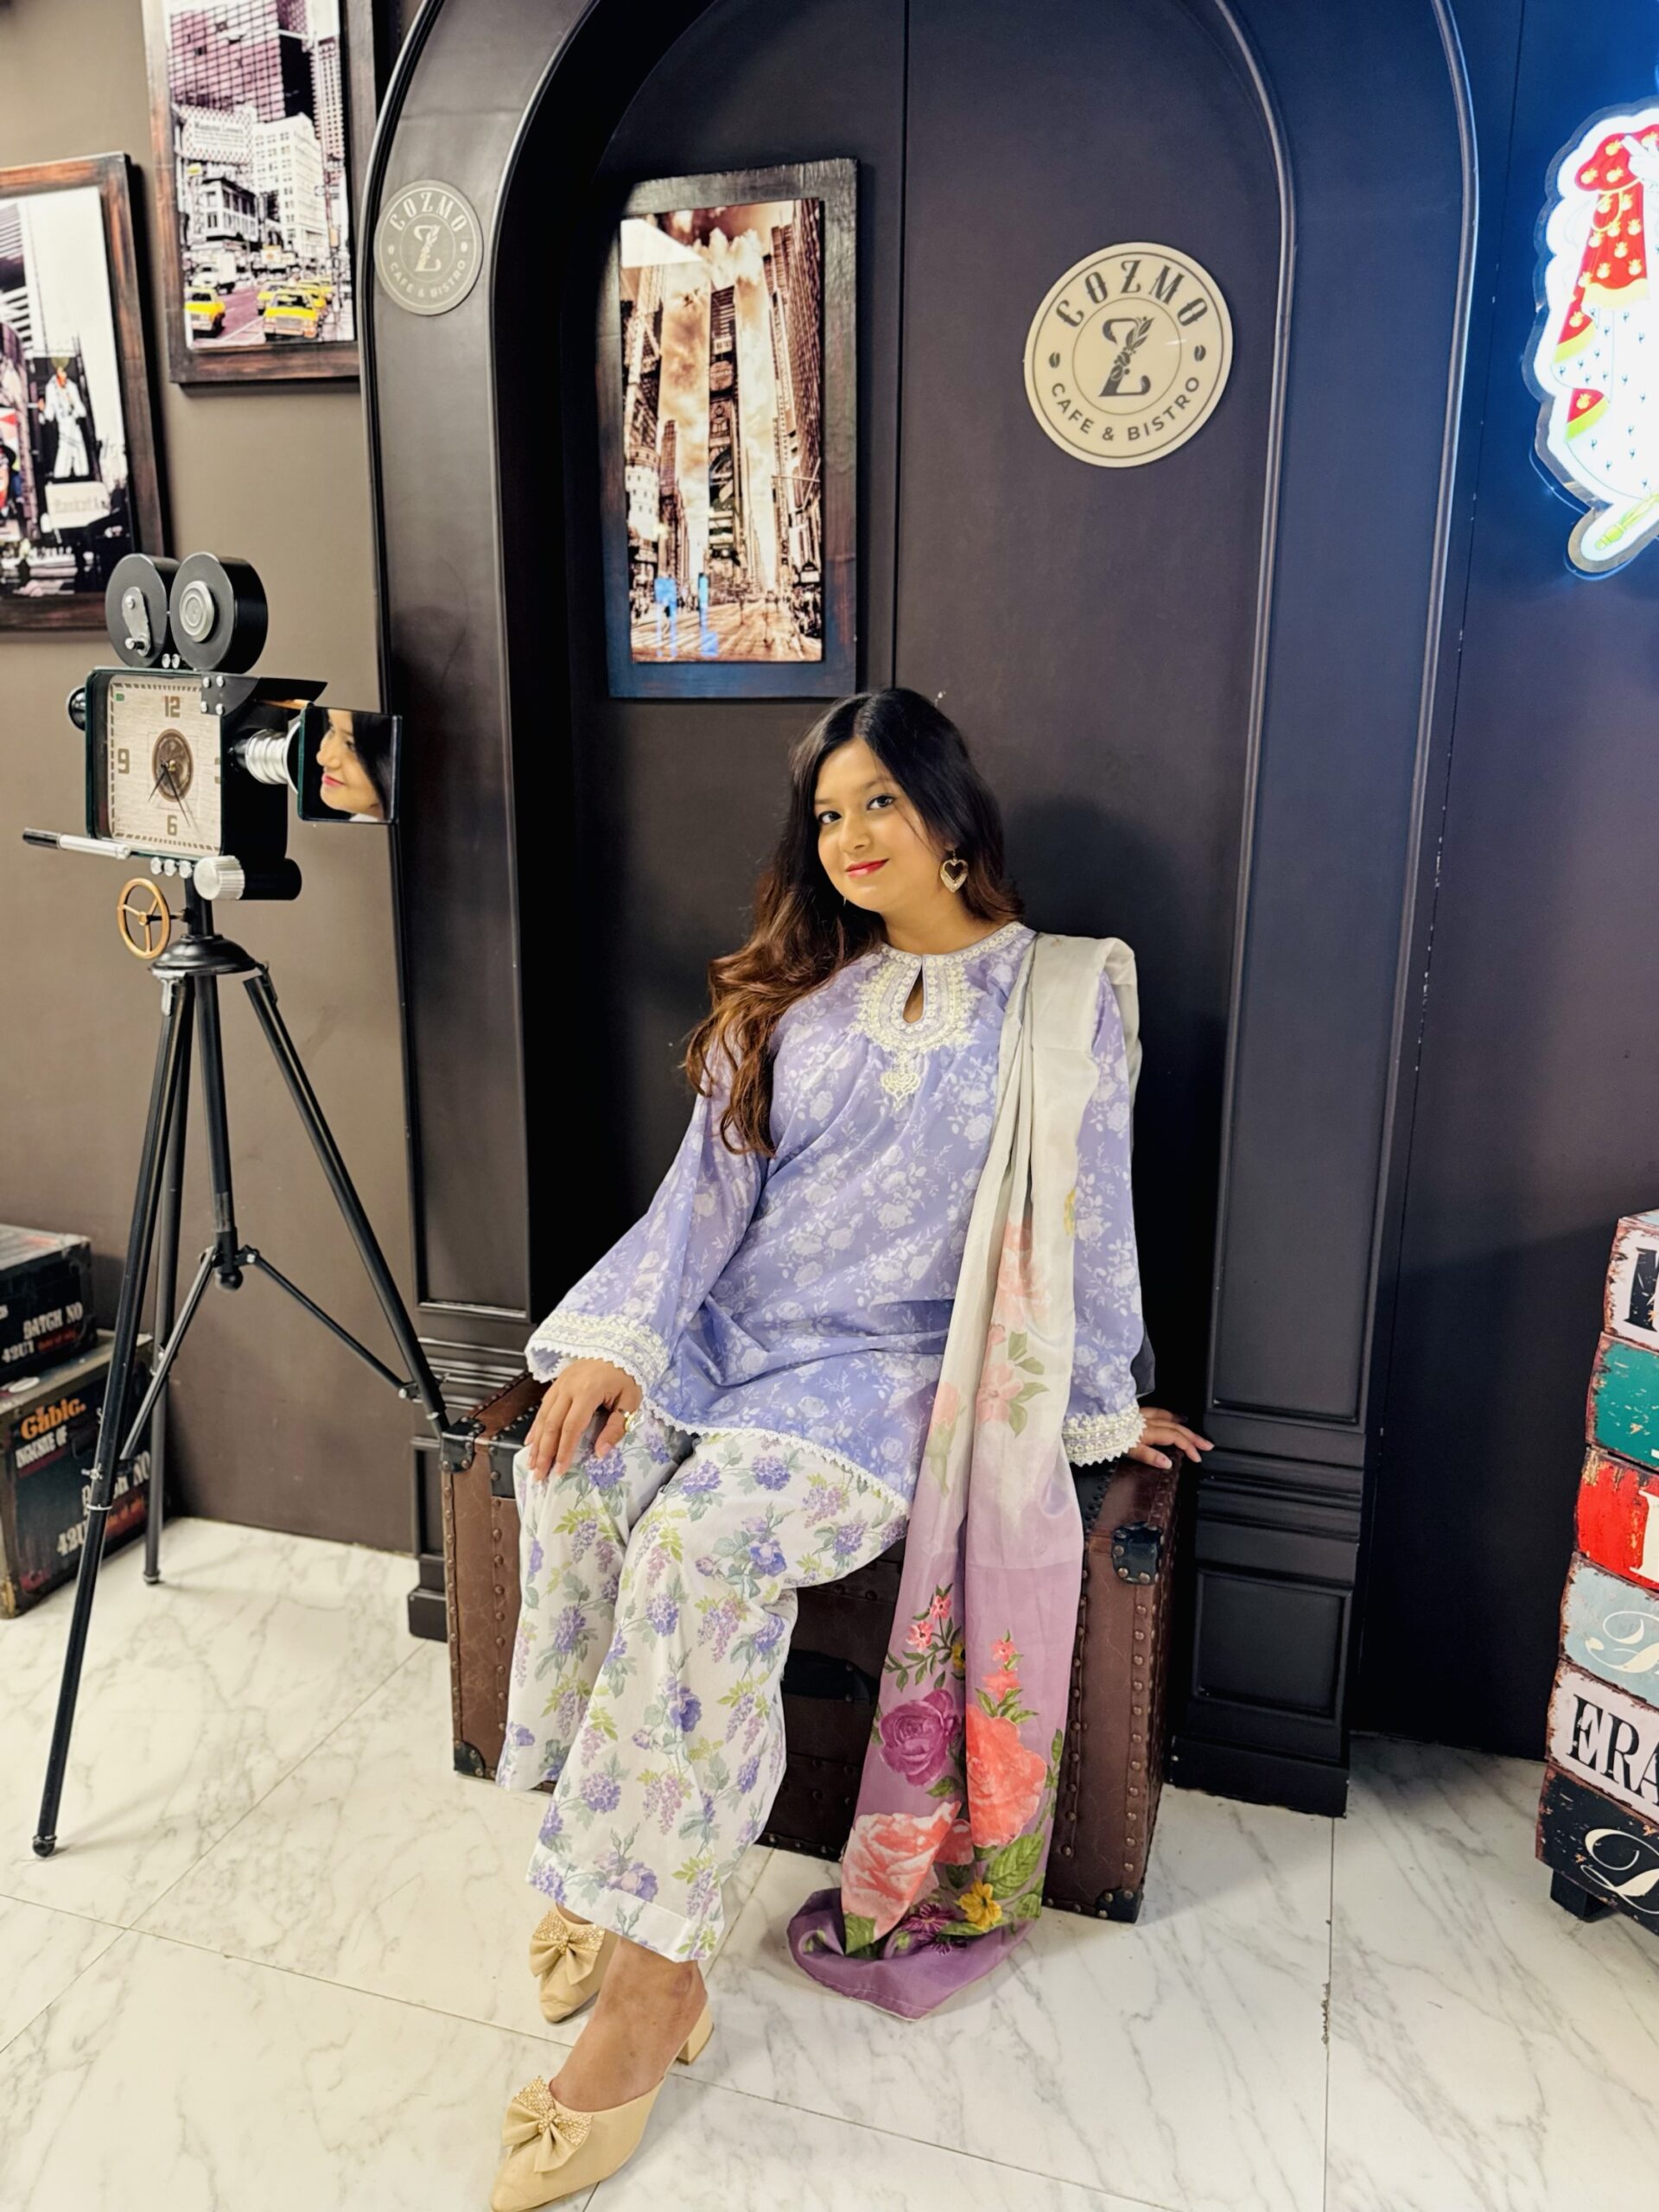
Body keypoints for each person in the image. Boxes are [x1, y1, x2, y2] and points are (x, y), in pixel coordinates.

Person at [487, 688, 1211, 2209]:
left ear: (950, 813)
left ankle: (652, 1986)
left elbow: (1090, 1220)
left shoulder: (1058, 998)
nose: (851, 836)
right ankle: (606, 1863)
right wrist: (623, 1342)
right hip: (724, 1335)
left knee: (700, 1551)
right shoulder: (792, 998)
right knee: (573, 1476)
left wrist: (1098, 1405)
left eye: (880, 800)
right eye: (827, 813)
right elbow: (700, 1203)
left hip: (884, 1382)